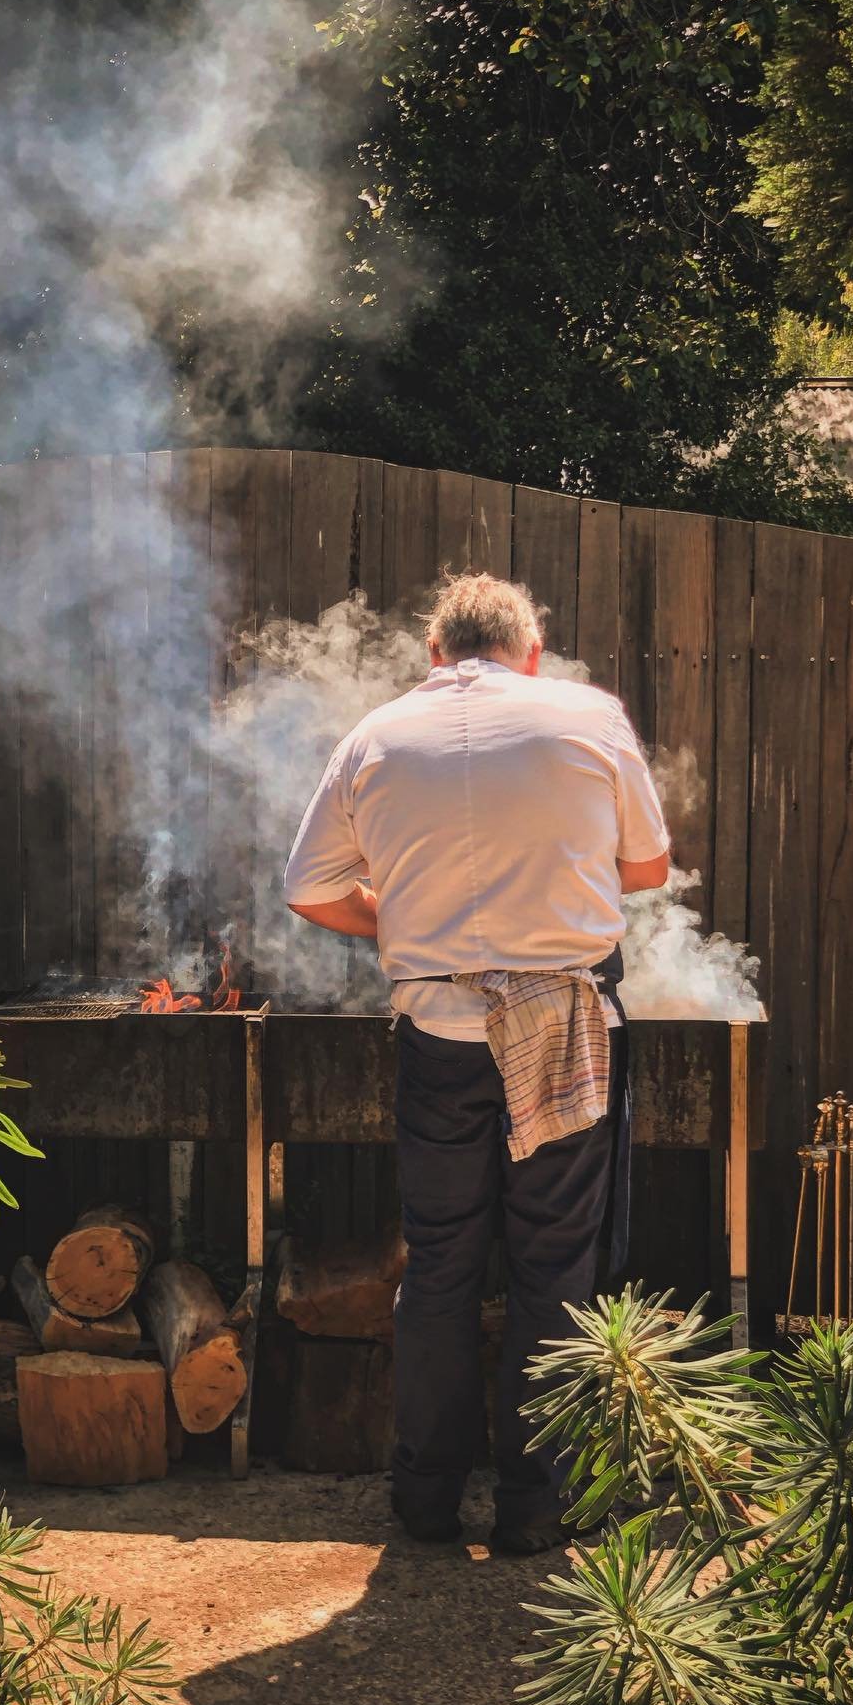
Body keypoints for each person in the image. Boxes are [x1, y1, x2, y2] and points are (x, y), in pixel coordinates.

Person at [283, 572, 669, 1553]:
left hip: (442, 1038)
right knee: (554, 1270)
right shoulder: (590, 715)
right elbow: (648, 868)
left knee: (442, 1266)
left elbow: (310, 890)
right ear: (530, 653)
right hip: (565, 1029)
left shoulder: (375, 736)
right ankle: (538, 1506)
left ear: (435, 653)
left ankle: (425, 1499)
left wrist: (403, 922)